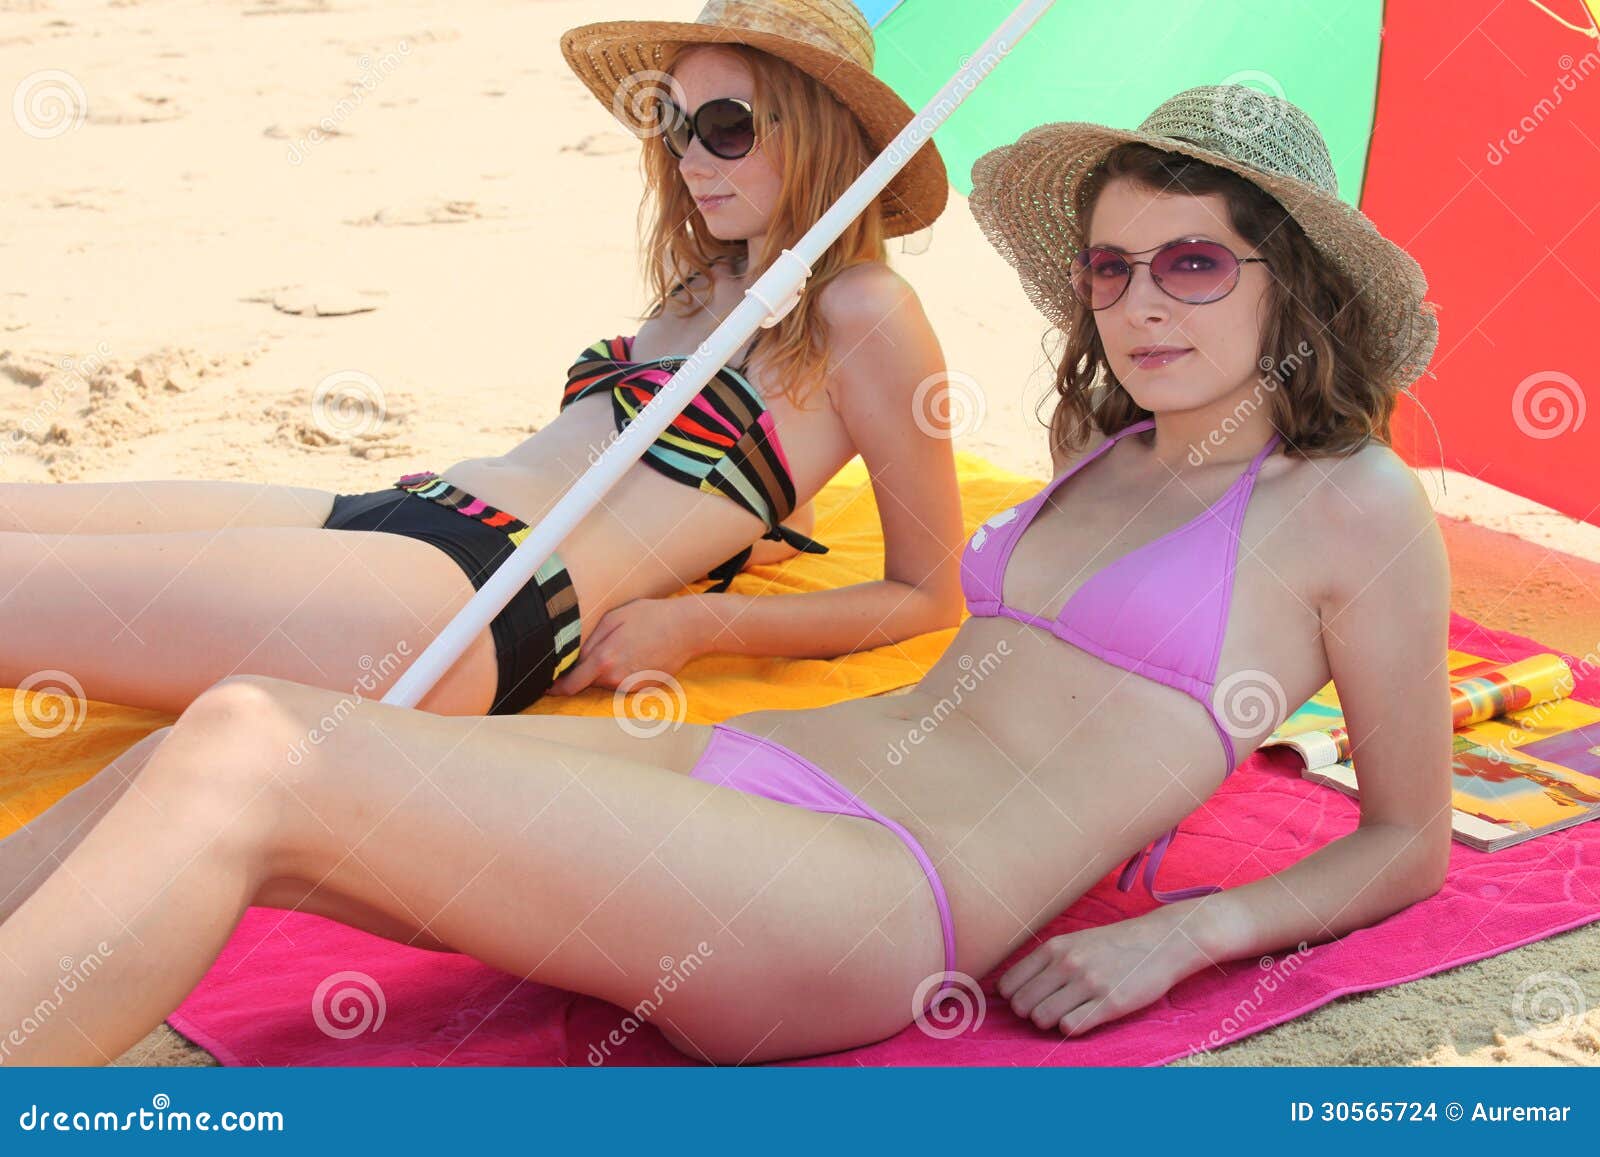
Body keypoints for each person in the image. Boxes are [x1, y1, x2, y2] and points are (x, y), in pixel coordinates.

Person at [0, 84, 1453, 1066]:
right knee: (235, 725)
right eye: (1113, 268)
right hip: (743, 775)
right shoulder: (1099, 439)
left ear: (1293, 284)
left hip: (875, 898)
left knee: (262, 755)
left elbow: (1409, 840)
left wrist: (1190, 935)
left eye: (1194, 267)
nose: (1140, 303)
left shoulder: (1353, 507)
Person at [0, 0, 962, 718]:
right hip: (404, 513)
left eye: (727, 127)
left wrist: (695, 627)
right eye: (674, 126)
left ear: (826, 137)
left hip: (480, 596)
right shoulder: (713, 284)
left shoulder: (864, 310)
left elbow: (929, 591)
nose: (691, 159)